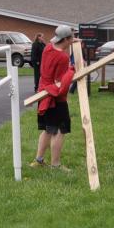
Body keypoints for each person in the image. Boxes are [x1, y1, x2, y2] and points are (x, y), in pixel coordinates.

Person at [30, 25, 76, 171]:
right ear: (66, 39)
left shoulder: (47, 48)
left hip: (42, 93)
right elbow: (61, 83)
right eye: (71, 38)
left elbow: (61, 43)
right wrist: (72, 70)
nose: (72, 40)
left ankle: (38, 160)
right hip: (55, 99)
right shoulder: (63, 57)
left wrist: (73, 41)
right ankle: (55, 164)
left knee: (48, 130)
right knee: (59, 131)